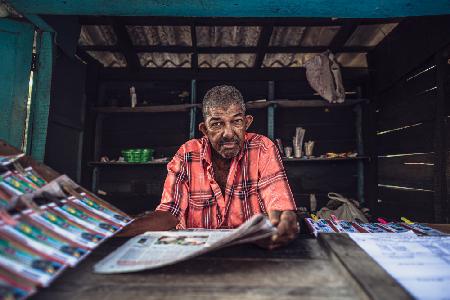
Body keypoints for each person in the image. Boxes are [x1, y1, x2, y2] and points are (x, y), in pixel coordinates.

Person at [120, 85, 299, 248]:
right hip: (195, 253)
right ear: (204, 130)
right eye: (217, 124)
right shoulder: (187, 154)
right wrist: (121, 230)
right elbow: (169, 212)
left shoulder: (262, 148)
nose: (229, 133)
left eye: (236, 121)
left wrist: (282, 220)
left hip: (250, 253)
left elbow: (278, 202)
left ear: (246, 123)